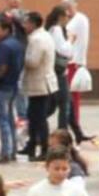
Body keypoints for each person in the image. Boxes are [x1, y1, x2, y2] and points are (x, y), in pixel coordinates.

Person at [21, 11, 58, 161]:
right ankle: (31, 146)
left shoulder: (36, 39)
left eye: (27, 23)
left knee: (39, 118)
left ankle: (44, 148)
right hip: (43, 82)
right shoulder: (45, 36)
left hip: (39, 83)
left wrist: (21, 57)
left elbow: (33, 62)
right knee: (34, 116)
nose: (25, 26)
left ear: (33, 24)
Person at [0, 16, 25, 164]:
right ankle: (13, 150)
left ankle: (5, 152)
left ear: (6, 29)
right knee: (10, 119)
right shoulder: (16, 44)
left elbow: (2, 68)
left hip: (1, 87)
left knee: (2, 121)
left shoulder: (3, 46)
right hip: (12, 86)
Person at [62, 0, 91, 142]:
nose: (66, 9)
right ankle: (75, 127)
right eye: (64, 6)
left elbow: (69, 38)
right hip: (74, 61)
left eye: (69, 5)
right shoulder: (77, 19)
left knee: (72, 97)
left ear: (75, 5)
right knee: (72, 97)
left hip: (73, 62)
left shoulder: (78, 20)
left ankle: (74, 125)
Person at [45, 5, 74, 133]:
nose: (68, 18)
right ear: (60, 17)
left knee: (54, 104)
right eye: (67, 16)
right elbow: (64, 51)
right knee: (64, 104)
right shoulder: (56, 30)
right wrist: (71, 40)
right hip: (59, 72)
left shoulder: (52, 29)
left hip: (54, 71)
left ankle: (36, 125)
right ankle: (63, 131)